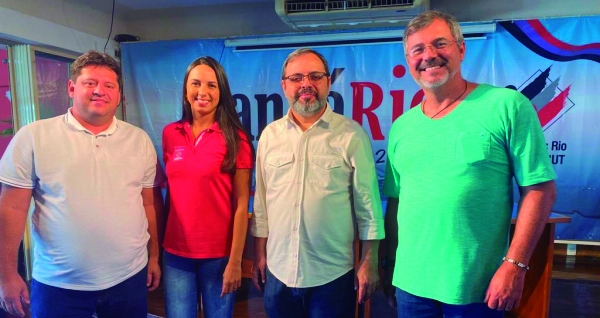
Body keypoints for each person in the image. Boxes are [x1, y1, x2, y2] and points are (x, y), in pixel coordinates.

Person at [382, 10, 557, 317]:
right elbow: (396, 203)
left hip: (477, 287)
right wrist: (388, 265)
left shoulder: (507, 106)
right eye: (418, 50)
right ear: (408, 61)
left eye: (440, 44)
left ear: (461, 49)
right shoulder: (402, 126)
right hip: (410, 285)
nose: (429, 56)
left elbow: (540, 189)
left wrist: (514, 266)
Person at [0, 50, 165, 318]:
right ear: (71, 87)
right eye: (90, 83)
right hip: (59, 285)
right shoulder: (34, 137)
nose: (100, 91)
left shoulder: (139, 139)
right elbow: (11, 210)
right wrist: (6, 274)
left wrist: (154, 257)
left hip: (129, 279)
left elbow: (148, 204)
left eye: (109, 85)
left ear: (119, 94)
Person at [250, 48, 385, 318]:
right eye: (297, 78)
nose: (306, 84)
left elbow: (368, 207)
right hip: (279, 273)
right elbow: (262, 203)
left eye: (314, 76)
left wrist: (369, 260)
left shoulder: (351, 135)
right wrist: (260, 254)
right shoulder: (269, 136)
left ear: (328, 82)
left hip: (332, 277)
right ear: (284, 85)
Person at [161, 56, 254, 318]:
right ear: (186, 90)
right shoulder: (170, 133)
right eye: (196, 83)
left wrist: (235, 262)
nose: (203, 92)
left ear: (221, 92)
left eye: (212, 85)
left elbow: (241, 204)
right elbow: (171, 196)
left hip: (219, 256)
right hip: (176, 255)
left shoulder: (237, 138)